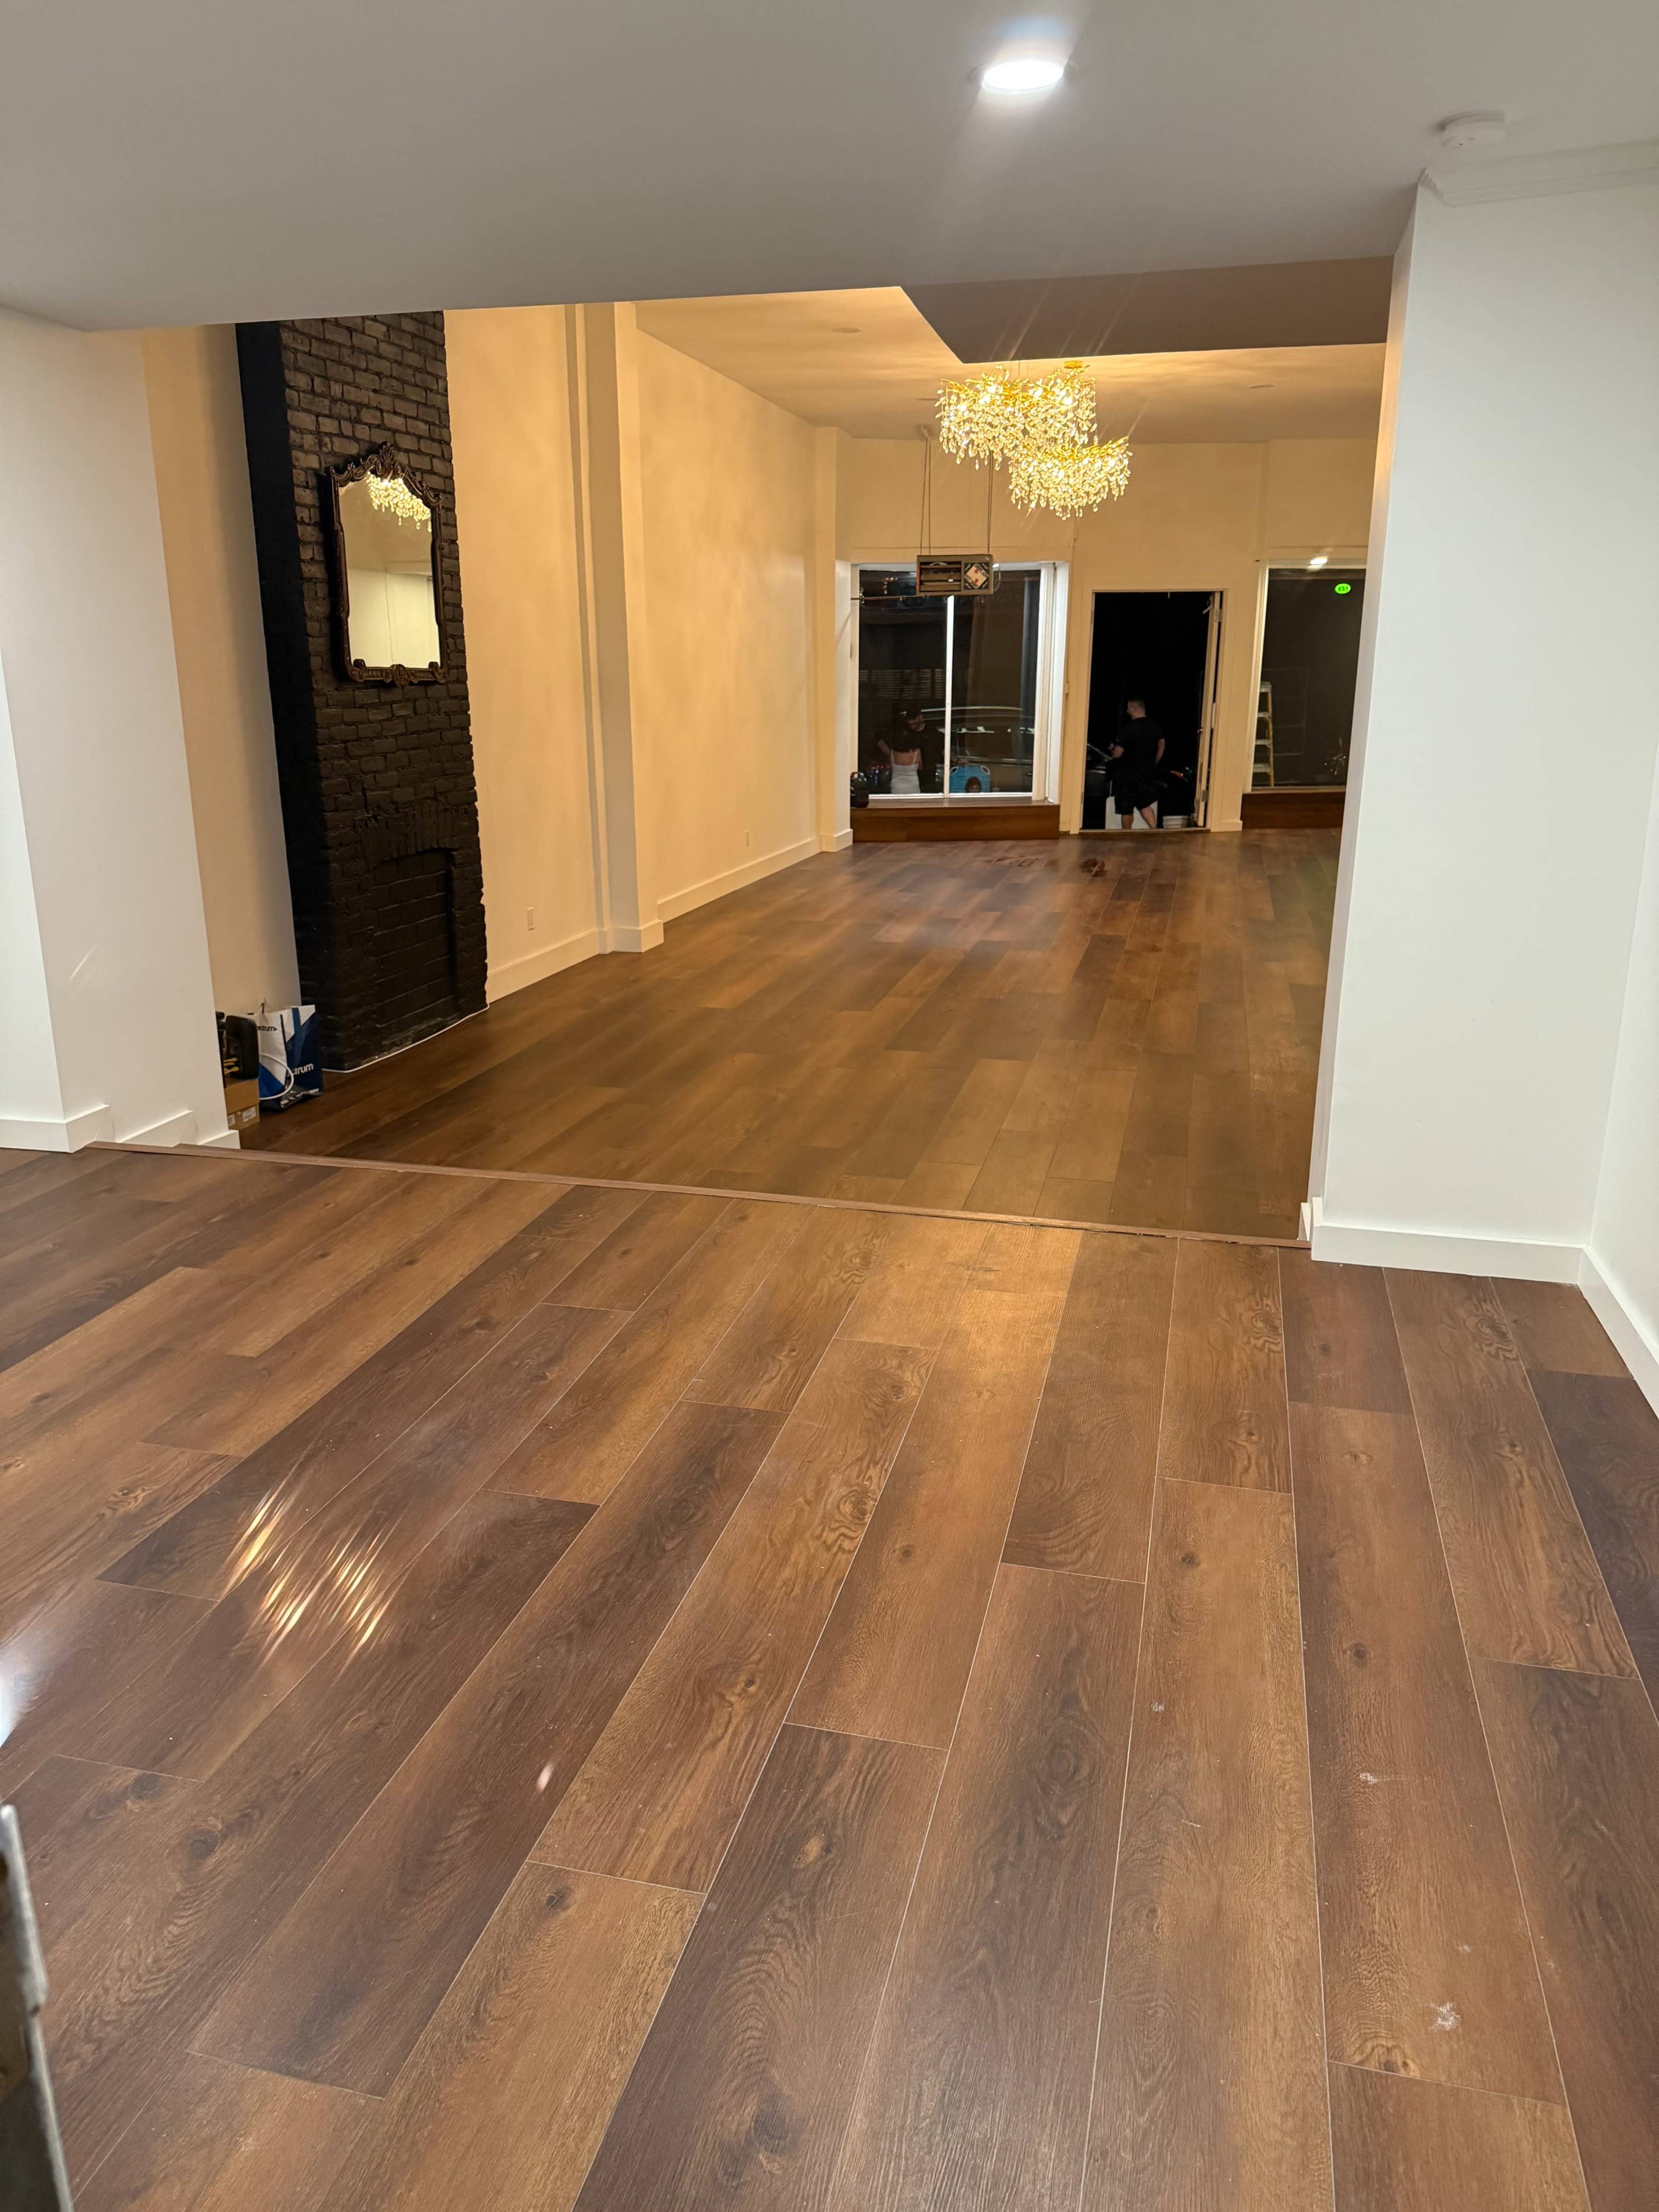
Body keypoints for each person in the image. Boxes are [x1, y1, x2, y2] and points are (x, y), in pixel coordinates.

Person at [1109, 697, 1164, 828]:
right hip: (1146, 774)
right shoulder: (1154, 726)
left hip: (1127, 775)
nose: (1127, 711)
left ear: (1133, 709)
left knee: (1127, 809)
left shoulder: (1128, 729)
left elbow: (1118, 754)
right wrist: (1154, 762)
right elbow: (1162, 745)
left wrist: (1113, 750)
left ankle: (1126, 835)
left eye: (1128, 708)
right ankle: (1154, 830)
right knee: (1145, 805)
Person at [880, 709, 928, 795]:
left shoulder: (893, 754)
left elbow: (880, 743)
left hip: (897, 786)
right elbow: (921, 767)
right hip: (913, 785)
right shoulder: (917, 753)